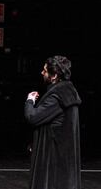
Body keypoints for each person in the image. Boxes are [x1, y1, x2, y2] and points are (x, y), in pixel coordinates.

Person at [24, 55, 81, 189]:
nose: (42, 73)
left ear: (54, 75)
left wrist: (29, 100)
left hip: (53, 157)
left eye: (45, 71)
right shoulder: (66, 92)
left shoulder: (57, 96)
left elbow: (33, 117)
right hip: (61, 156)